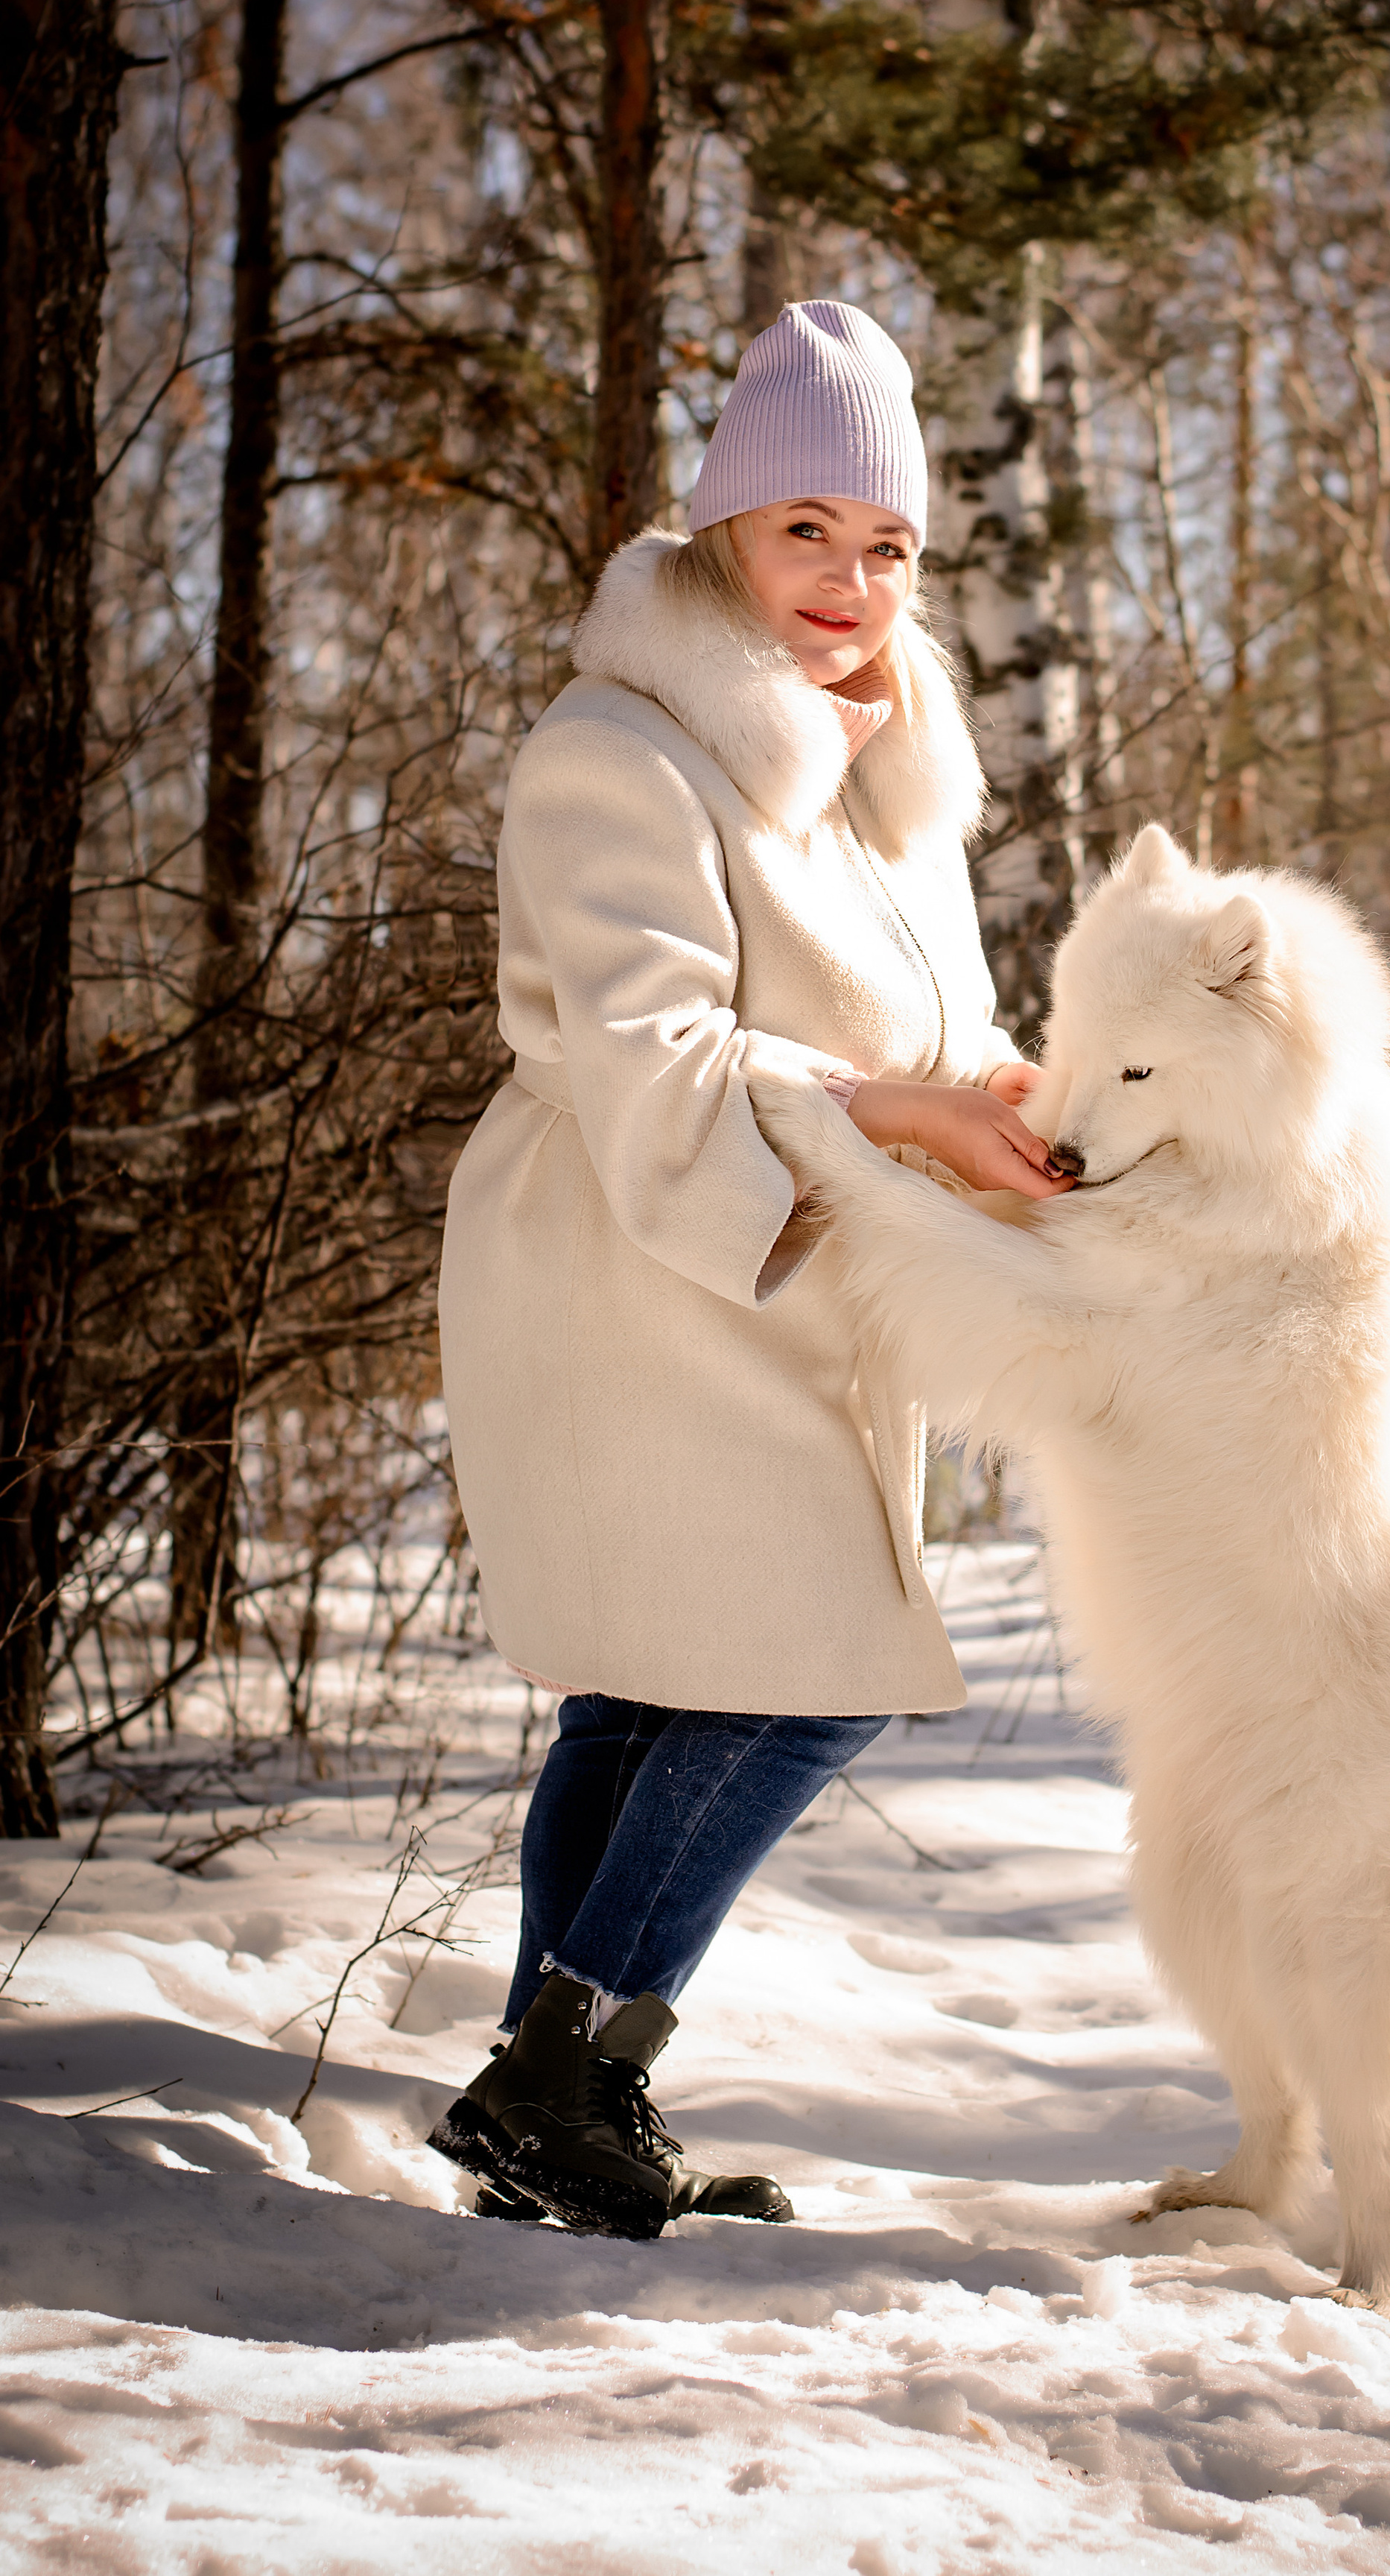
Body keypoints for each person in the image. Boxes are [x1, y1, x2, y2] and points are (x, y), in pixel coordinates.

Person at [428, 299, 1068, 2238]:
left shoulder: (885, 765)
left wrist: (1014, 1095)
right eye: (809, 531)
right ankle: (568, 2077)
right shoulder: (617, 751)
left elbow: (915, 1035)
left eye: (887, 547)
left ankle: (551, 2116)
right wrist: (903, 1116)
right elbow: (652, 1064)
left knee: (641, 1697)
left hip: (784, 1287)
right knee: (807, 1670)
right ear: (719, 531)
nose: (854, 583)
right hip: (631, 1277)